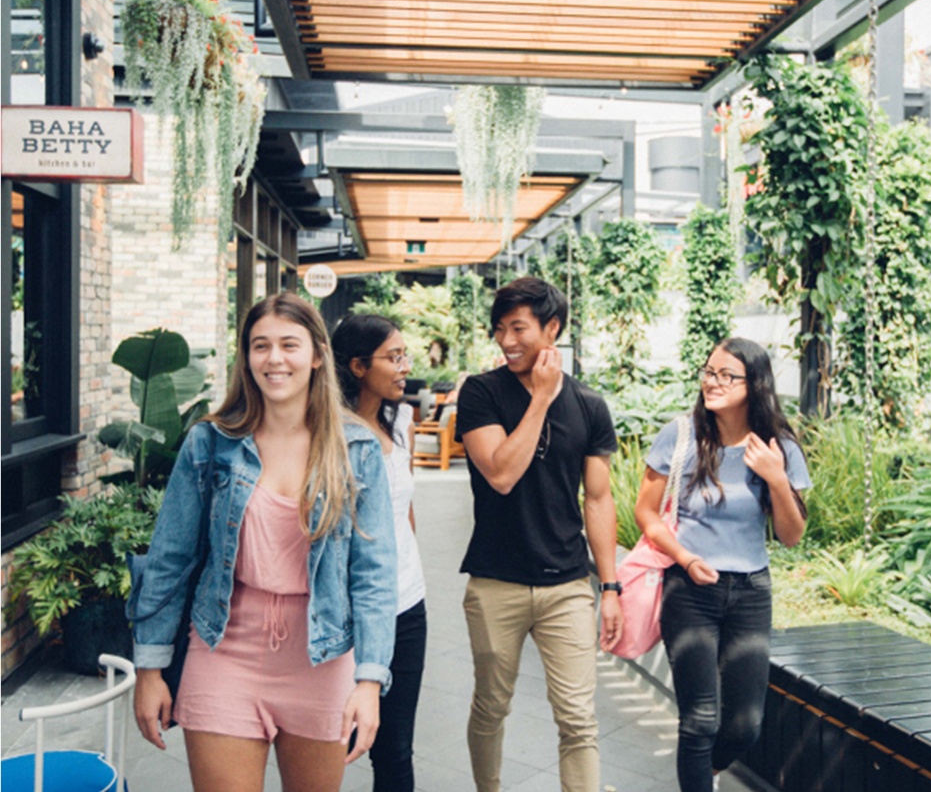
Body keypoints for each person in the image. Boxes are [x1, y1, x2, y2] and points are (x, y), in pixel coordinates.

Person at [130, 293, 397, 792]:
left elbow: (375, 574)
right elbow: (170, 558)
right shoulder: (210, 443)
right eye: (260, 346)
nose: (274, 359)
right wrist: (150, 668)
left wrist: (369, 680)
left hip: (321, 659)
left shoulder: (355, 449)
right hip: (223, 648)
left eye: (289, 345)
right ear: (246, 357)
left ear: (317, 354)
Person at [455, 276, 624, 792]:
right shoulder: (481, 392)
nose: (507, 341)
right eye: (500, 329)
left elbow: (597, 498)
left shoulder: (591, 406)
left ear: (551, 328)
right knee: (491, 707)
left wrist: (611, 587)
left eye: (519, 328)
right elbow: (501, 474)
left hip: (568, 587)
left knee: (578, 718)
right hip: (495, 583)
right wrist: (542, 399)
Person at [634, 337, 811, 792]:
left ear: (754, 384)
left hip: (750, 592)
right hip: (689, 589)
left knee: (745, 725)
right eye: (708, 372)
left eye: (726, 375)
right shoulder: (681, 435)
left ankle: (702, 773)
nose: (712, 382)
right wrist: (684, 557)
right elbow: (646, 513)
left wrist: (775, 477)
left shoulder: (779, 447)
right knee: (699, 721)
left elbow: (791, 536)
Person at [331, 314, 427, 792]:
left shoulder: (401, 421)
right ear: (357, 366)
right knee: (332, 742)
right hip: (345, 614)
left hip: (407, 606)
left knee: (394, 751)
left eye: (405, 354)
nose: (405, 365)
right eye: (394, 356)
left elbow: (404, 511)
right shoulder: (327, 435)